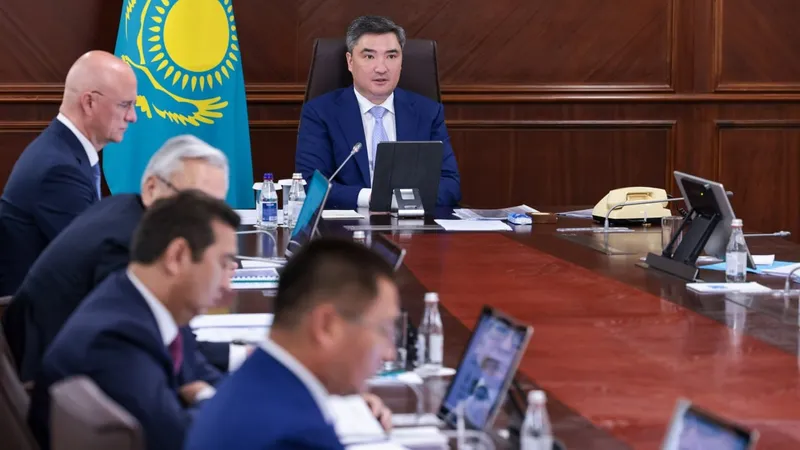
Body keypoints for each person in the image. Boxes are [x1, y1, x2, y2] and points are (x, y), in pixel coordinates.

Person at [2, 135, 245, 383]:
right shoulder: (128, 244)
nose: (207, 222)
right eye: (195, 203)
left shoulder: (125, 208)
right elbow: (156, 341)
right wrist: (237, 360)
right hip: (56, 379)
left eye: (215, 208)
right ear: (152, 188)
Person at [27, 190, 240, 450]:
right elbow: (180, 440)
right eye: (224, 264)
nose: (228, 283)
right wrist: (208, 398)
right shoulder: (115, 340)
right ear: (177, 256)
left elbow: (194, 372)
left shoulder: (137, 299)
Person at [184, 238, 400, 450]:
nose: (389, 353)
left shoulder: (253, 383)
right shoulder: (297, 436)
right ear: (326, 325)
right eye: (384, 330)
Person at [0, 50, 138, 295]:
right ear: (89, 103)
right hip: (43, 315)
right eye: (124, 105)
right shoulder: (58, 171)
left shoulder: (64, 152)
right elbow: (95, 262)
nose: (133, 117)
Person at [295, 15, 461, 210]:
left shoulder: (427, 112)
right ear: (350, 61)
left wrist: (401, 201)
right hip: (347, 224)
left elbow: (450, 185)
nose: (381, 68)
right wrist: (374, 198)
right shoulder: (320, 112)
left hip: (412, 223)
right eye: (369, 56)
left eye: (391, 56)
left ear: (401, 61)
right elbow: (311, 184)